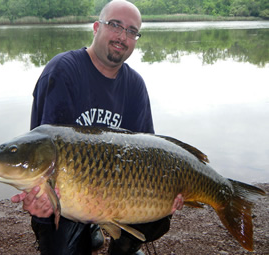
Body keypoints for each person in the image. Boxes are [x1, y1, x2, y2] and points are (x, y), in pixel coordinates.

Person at [11, 1, 183, 254]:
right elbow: (43, 151)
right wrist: (38, 195)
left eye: (132, 31)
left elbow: (148, 154)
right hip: (68, 192)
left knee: (158, 214)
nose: (122, 36)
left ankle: (122, 247)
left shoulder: (135, 85)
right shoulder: (63, 71)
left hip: (116, 190)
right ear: (96, 27)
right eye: (115, 25)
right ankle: (86, 230)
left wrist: (170, 189)